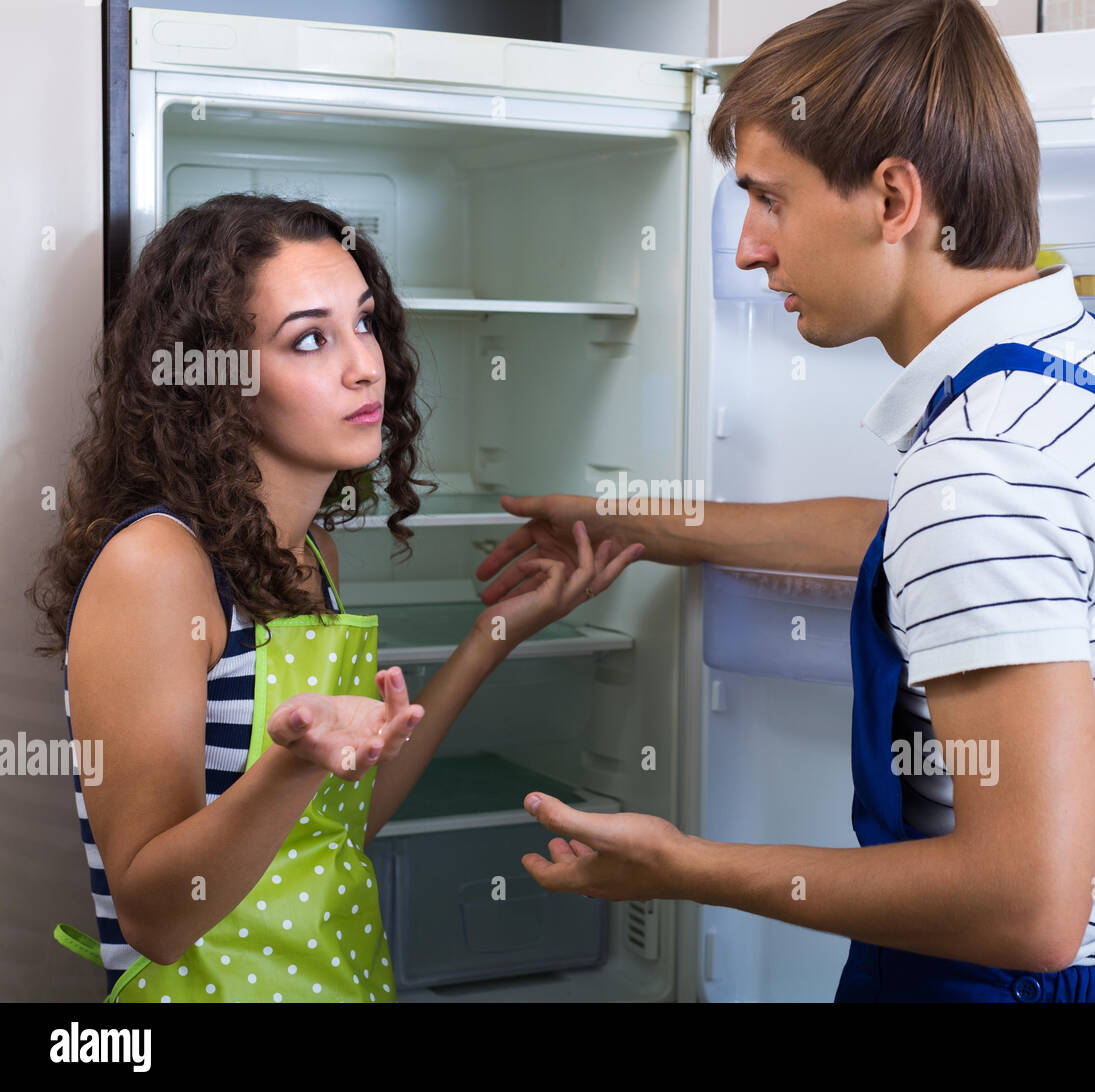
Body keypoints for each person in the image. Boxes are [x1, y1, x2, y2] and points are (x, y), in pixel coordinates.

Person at [478, 0, 1095, 1002]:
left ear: (891, 199)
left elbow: (1025, 909)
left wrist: (681, 865)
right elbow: (935, 553)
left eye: (769, 199)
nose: (747, 248)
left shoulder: (981, 473)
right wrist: (643, 523)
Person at [29, 193, 641, 1002]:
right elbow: (157, 918)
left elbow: (337, 822)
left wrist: (495, 632)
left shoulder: (310, 552)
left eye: (364, 322)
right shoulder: (156, 566)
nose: (365, 364)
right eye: (309, 339)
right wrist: (290, 765)